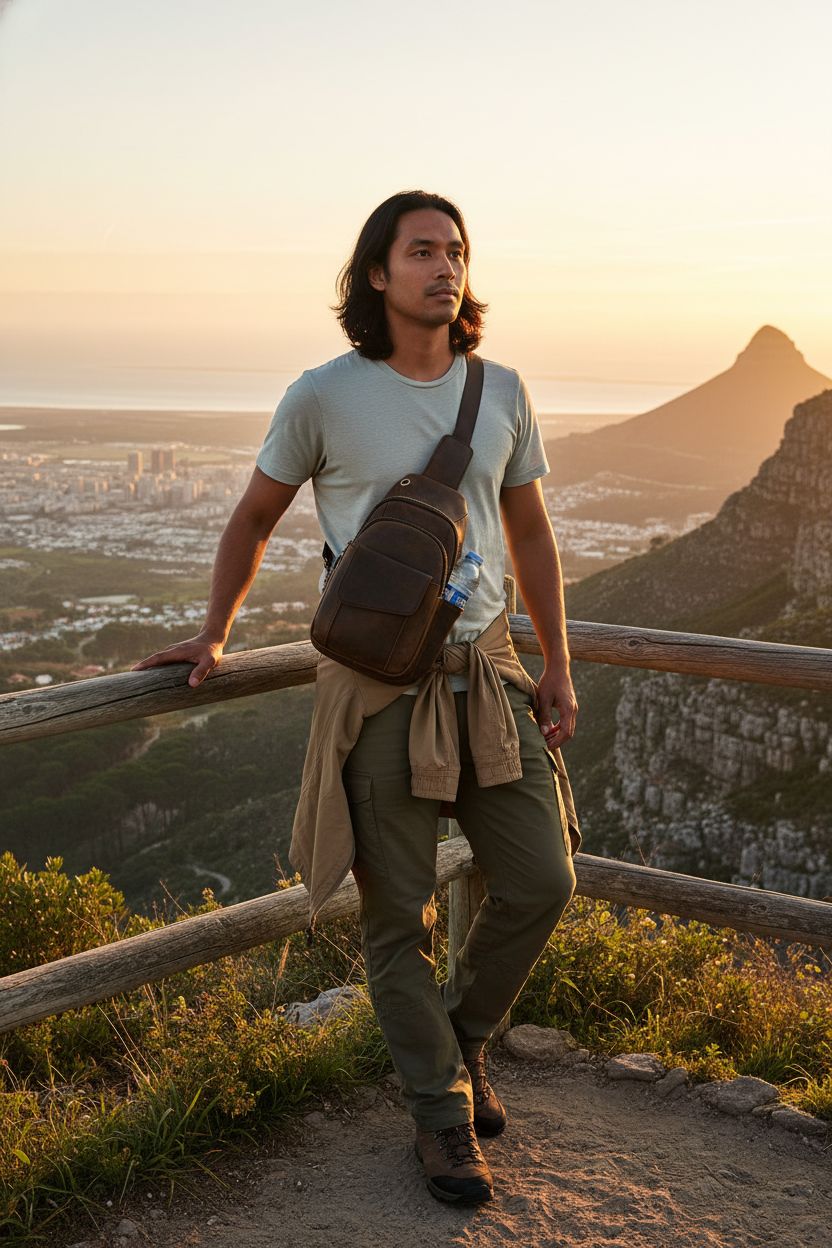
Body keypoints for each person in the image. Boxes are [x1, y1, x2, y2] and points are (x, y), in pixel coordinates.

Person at [133, 189, 580, 1207]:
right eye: (421, 251)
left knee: (542, 877)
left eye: (455, 251)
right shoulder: (323, 396)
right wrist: (214, 631)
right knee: (397, 916)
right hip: (378, 687)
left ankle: (457, 1041)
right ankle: (439, 1114)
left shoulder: (501, 391)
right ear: (376, 273)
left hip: (488, 674)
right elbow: (253, 517)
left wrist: (557, 661)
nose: (445, 266)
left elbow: (530, 533)